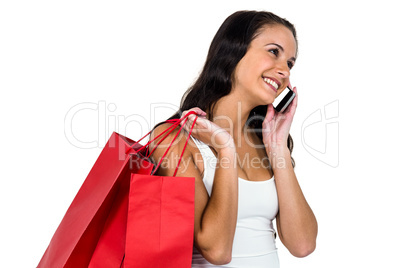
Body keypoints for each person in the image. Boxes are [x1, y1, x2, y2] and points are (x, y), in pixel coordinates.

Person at [149, 10, 318, 267]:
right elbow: (216, 251)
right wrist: (225, 149)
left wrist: (278, 148)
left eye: (290, 63)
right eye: (274, 52)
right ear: (234, 51)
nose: (284, 70)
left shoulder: (265, 143)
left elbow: (302, 244)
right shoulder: (173, 139)